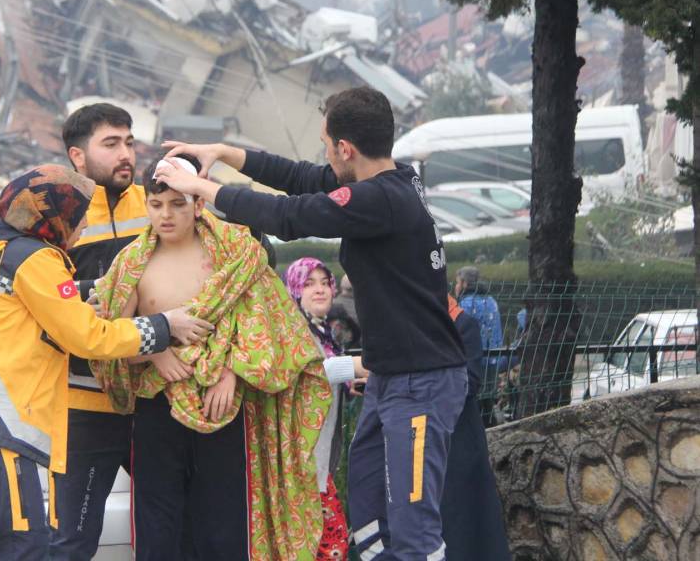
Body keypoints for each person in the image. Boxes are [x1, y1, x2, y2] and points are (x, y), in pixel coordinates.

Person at [155, 86, 468, 561]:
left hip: (420, 384)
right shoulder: (392, 180)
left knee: (413, 529)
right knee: (366, 516)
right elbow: (301, 179)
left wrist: (203, 189)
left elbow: (289, 214)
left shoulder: (380, 200)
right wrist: (223, 154)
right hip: (390, 380)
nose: (323, 155)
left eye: (326, 143)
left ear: (346, 148)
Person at [0, 165, 213, 560]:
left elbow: (38, 317)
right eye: (78, 217)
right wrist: (162, 326)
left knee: (6, 544)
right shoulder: (35, 259)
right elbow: (88, 338)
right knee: (21, 547)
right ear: (55, 216)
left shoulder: (1, 249)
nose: (81, 228)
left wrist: (84, 304)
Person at [92, 156, 331, 561]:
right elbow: (110, 340)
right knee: (158, 522)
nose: (165, 215)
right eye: (156, 205)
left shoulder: (237, 253)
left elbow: (269, 325)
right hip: (157, 407)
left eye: (177, 204)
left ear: (199, 204)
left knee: (225, 521)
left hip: (223, 405)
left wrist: (233, 374)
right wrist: (156, 352)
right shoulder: (130, 264)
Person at [49, 103, 150, 560]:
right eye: (111, 144)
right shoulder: (56, 218)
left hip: (154, 397)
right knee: (72, 541)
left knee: (173, 531)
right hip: (84, 403)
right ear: (77, 156)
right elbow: (47, 296)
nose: (125, 153)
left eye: (129, 142)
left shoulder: (155, 204)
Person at [285, 257, 368, 561]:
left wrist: (349, 383)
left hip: (317, 465)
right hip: (302, 467)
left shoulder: (322, 332)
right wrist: (359, 365)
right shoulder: (293, 329)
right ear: (294, 290)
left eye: (324, 283)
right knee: (331, 548)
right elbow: (312, 370)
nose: (319, 290)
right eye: (308, 284)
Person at [441, 296, 511, 560]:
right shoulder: (407, 322)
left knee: (465, 524)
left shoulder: (461, 322)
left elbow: (470, 381)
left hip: (458, 440)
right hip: (422, 438)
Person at [454, 266, 503, 424]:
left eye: (456, 282)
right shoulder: (491, 301)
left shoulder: (466, 304)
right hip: (493, 359)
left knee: (474, 404)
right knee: (487, 401)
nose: (455, 287)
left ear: (464, 283)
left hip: (474, 360)